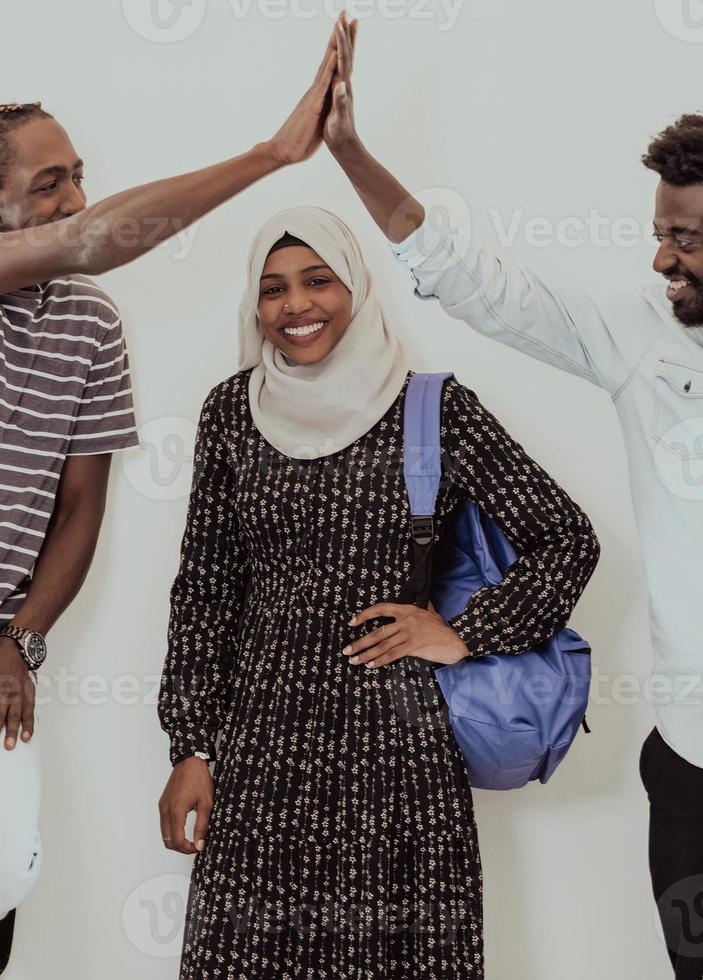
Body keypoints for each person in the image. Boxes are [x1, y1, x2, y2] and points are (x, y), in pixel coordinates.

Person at [0, 26, 349, 980]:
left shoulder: (89, 323)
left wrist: (24, 638)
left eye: (79, 176)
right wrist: (272, 155)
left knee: (0, 868)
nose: (76, 201)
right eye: (49, 185)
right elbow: (91, 241)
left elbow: (80, 506)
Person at [319, 12, 703, 976]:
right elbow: (477, 283)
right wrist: (351, 154)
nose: (660, 262)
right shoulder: (639, 344)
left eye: (686, 240)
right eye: (660, 236)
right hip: (695, 764)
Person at [156, 205, 600, 977]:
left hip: (392, 741)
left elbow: (566, 537)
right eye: (272, 289)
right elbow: (205, 588)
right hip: (262, 743)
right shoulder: (232, 411)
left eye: (317, 280)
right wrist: (191, 744)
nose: (295, 305)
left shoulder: (430, 408)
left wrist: (467, 632)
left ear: (355, 287)